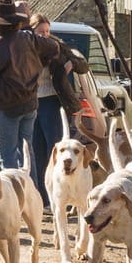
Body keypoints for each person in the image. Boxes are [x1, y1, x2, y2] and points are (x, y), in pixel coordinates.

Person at [0, 0, 45, 172]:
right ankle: (31, 194)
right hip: (30, 103)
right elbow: (54, 47)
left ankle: (14, 198)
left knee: (7, 158)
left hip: (7, 108)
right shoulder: (27, 38)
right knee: (27, 156)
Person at [27, 12, 88, 197]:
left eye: (47, 31)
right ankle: (40, 194)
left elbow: (83, 64)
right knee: (34, 147)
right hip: (31, 102)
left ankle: (56, 191)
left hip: (52, 100)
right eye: (40, 31)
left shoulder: (56, 46)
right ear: (31, 31)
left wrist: (71, 64)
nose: (44, 35)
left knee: (53, 147)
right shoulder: (26, 47)